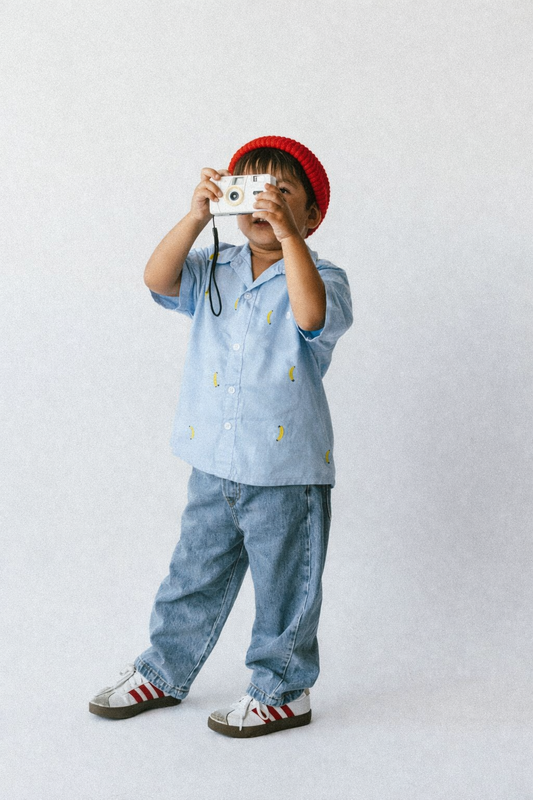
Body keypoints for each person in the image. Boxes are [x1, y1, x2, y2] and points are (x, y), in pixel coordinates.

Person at [89, 136, 353, 738]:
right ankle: (164, 670)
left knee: (285, 585)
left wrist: (289, 241)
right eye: (253, 187)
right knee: (192, 574)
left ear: (311, 216)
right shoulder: (216, 266)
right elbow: (156, 278)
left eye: (283, 192)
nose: (266, 201)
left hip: (286, 470)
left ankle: (281, 689)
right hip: (213, 460)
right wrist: (195, 216)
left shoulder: (322, 275)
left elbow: (312, 318)